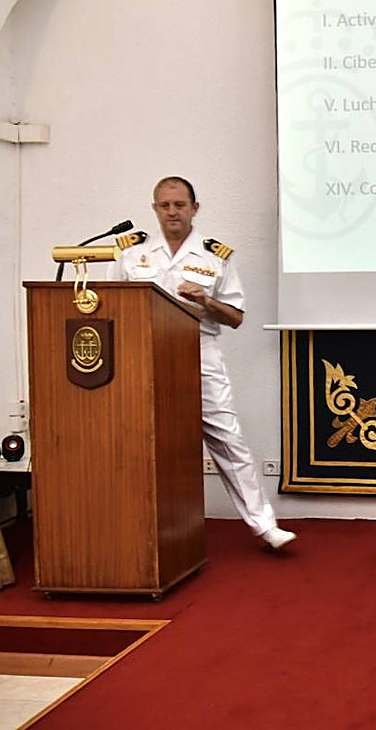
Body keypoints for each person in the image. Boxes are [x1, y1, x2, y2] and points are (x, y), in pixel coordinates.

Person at [113, 176, 296, 551]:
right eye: (164, 205)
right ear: (154, 209)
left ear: (195, 209)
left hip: (198, 351)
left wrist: (206, 301)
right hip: (142, 355)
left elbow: (235, 317)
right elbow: (112, 306)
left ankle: (265, 526)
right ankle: (135, 527)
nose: (172, 212)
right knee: (138, 439)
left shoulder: (215, 256)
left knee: (227, 438)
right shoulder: (131, 254)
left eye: (179, 205)